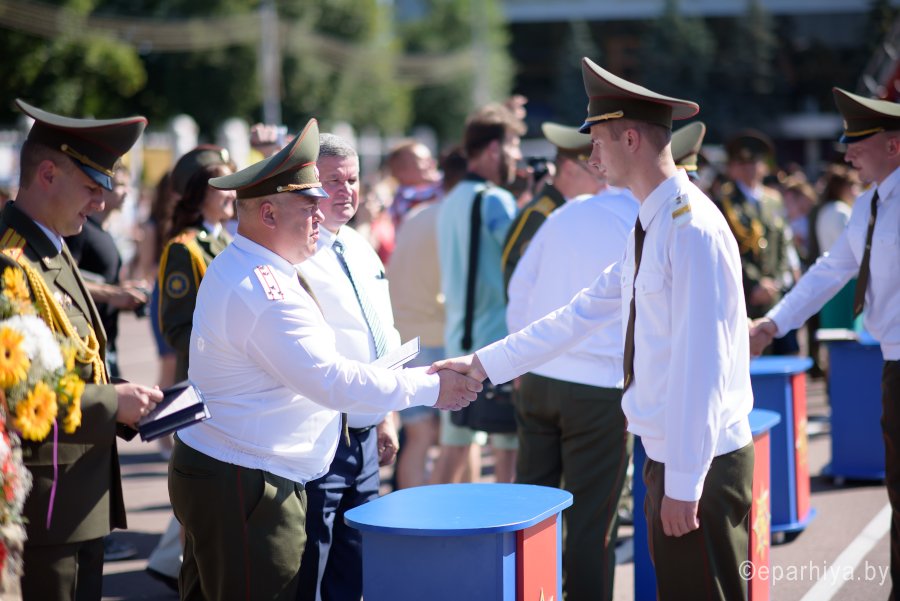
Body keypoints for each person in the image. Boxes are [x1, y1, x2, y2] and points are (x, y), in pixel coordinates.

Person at [433, 58, 754, 600]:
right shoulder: (652, 220)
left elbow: (704, 365)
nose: (591, 156)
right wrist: (483, 364)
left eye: (598, 141)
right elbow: (579, 313)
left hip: (700, 460)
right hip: (674, 455)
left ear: (631, 139)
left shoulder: (690, 227)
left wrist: (683, 482)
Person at [167, 118, 481, 601]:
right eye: (309, 206)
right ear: (268, 214)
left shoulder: (264, 266)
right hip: (248, 478)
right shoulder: (264, 289)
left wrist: (387, 411)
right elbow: (330, 379)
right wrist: (432, 387)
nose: (322, 216)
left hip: (253, 468)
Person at [4, 99, 163, 601]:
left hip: (79, 493)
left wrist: (126, 396)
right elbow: (19, 393)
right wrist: (114, 403)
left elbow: (73, 360)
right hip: (49, 500)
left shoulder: (51, 244)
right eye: (92, 187)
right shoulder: (11, 262)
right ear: (47, 174)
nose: (100, 203)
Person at [750, 87, 900, 595]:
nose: (848, 154)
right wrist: (773, 324)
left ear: (893, 146)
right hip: (893, 363)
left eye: (858, 143)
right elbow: (829, 271)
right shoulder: (869, 205)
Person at [505, 121, 638, 601]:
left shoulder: (567, 212)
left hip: (540, 377)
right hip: (598, 387)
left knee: (530, 509)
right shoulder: (643, 220)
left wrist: (520, 362)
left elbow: (519, 289)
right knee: (591, 523)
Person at [296, 133, 401, 600]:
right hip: (322, 433)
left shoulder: (358, 244)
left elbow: (383, 334)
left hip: (365, 436)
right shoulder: (297, 253)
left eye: (353, 180)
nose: (346, 191)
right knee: (311, 568)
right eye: (332, 181)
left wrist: (386, 414)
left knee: (355, 567)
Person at [433, 103, 525, 485]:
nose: (518, 156)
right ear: (493, 149)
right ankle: (509, 523)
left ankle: (430, 520)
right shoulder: (495, 199)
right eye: (514, 145)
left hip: (458, 340)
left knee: (453, 449)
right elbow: (523, 260)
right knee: (508, 454)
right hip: (497, 345)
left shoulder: (451, 199)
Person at [715, 130, 799, 353]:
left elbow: (783, 245)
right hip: (745, 294)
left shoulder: (774, 199)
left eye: (754, 162)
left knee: (784, 355)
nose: (749, 169)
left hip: (774, 294)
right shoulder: (725, 202)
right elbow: (727, 249)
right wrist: (755, 284)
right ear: (732, 167)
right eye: (742, 163)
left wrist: (776, 281)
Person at [65, 162, 149, 381]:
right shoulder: (81, 231)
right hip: (86, 340)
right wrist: (112, 294)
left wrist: (124, 290)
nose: (127, 192)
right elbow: (66, 280)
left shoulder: (103, 231)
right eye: (120, 185)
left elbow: (103, 281)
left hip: (106, 339)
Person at [158, 158, 235, 384]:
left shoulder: (228, 241)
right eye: (224, 186)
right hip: (206, 375)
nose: (232, 194)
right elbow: (176, 329)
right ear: (201, 193)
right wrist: (224, 350)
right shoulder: (184, 249)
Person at [501, 122, 596, 291]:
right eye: (595, 170)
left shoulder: (573, 208)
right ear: (570, 168)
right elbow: (515, 279)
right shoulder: (540, 216)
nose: (603, 181)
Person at [386, 139, 442, 228]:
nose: (433, 163)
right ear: (400, 170)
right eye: (424, 160)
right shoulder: (399, 202)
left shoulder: (444, 187)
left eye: (430, 159)